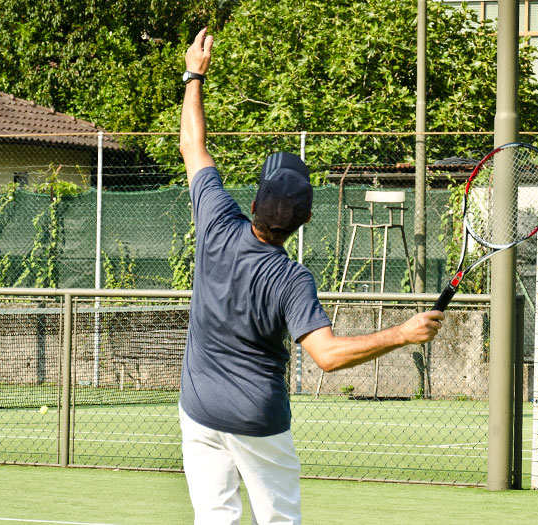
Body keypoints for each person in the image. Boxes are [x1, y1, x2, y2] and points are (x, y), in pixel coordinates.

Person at [177, 28, 445, 524]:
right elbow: (326, 357)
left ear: (253, 203)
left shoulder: (216, 222)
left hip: (198, 412)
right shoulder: (292, 279)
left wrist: (196, 73)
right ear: (303, 222)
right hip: (258, 420)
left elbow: (192, 142)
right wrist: (403, 333)